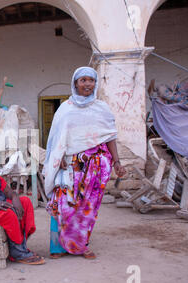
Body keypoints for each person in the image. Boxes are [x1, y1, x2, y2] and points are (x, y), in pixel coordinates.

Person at [43, 66, 126, 260]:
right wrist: (58, 157)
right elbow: (56, 138)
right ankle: (57, 247)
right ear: (75, 83)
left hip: (96, 168)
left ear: (95, 84)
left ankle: (81, 245)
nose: (87, 84)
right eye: (83, 80)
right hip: (71, 165)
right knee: (62, 204)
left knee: (87, 207)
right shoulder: (66, 109)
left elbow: (110, 136)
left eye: (91, 80)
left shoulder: (102, 108)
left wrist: (116, 162)